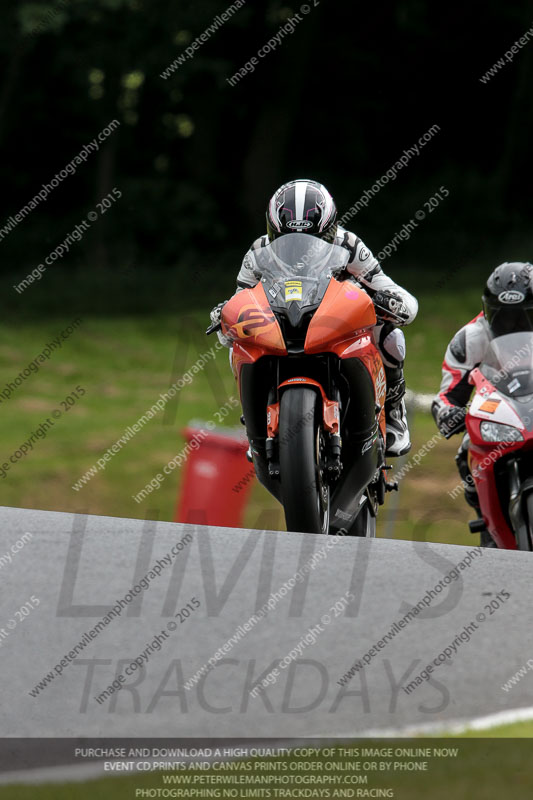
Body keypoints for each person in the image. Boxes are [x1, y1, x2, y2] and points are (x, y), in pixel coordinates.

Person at [210, 179, 418, 456]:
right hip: (281, 322)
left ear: (330, 228)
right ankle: (255, 422)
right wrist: (226, 316)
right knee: (241, 346)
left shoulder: (350, 244)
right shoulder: (258, 252)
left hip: (336, 322)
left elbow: (384, 284)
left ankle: (393, 414)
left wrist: (394, 301)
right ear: (272, 230)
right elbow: (241, 299)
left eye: (311, 239)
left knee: (391, 338)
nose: (298, 248)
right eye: (286, 239)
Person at [432, 261, 533, 512]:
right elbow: (447, 395)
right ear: (488, 311)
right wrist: (447, 413)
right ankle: (485, 514)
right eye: (505, 316)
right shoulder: (470, 338)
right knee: (466, 451)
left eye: (524, 315)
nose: (514, 324)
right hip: (500, 413)